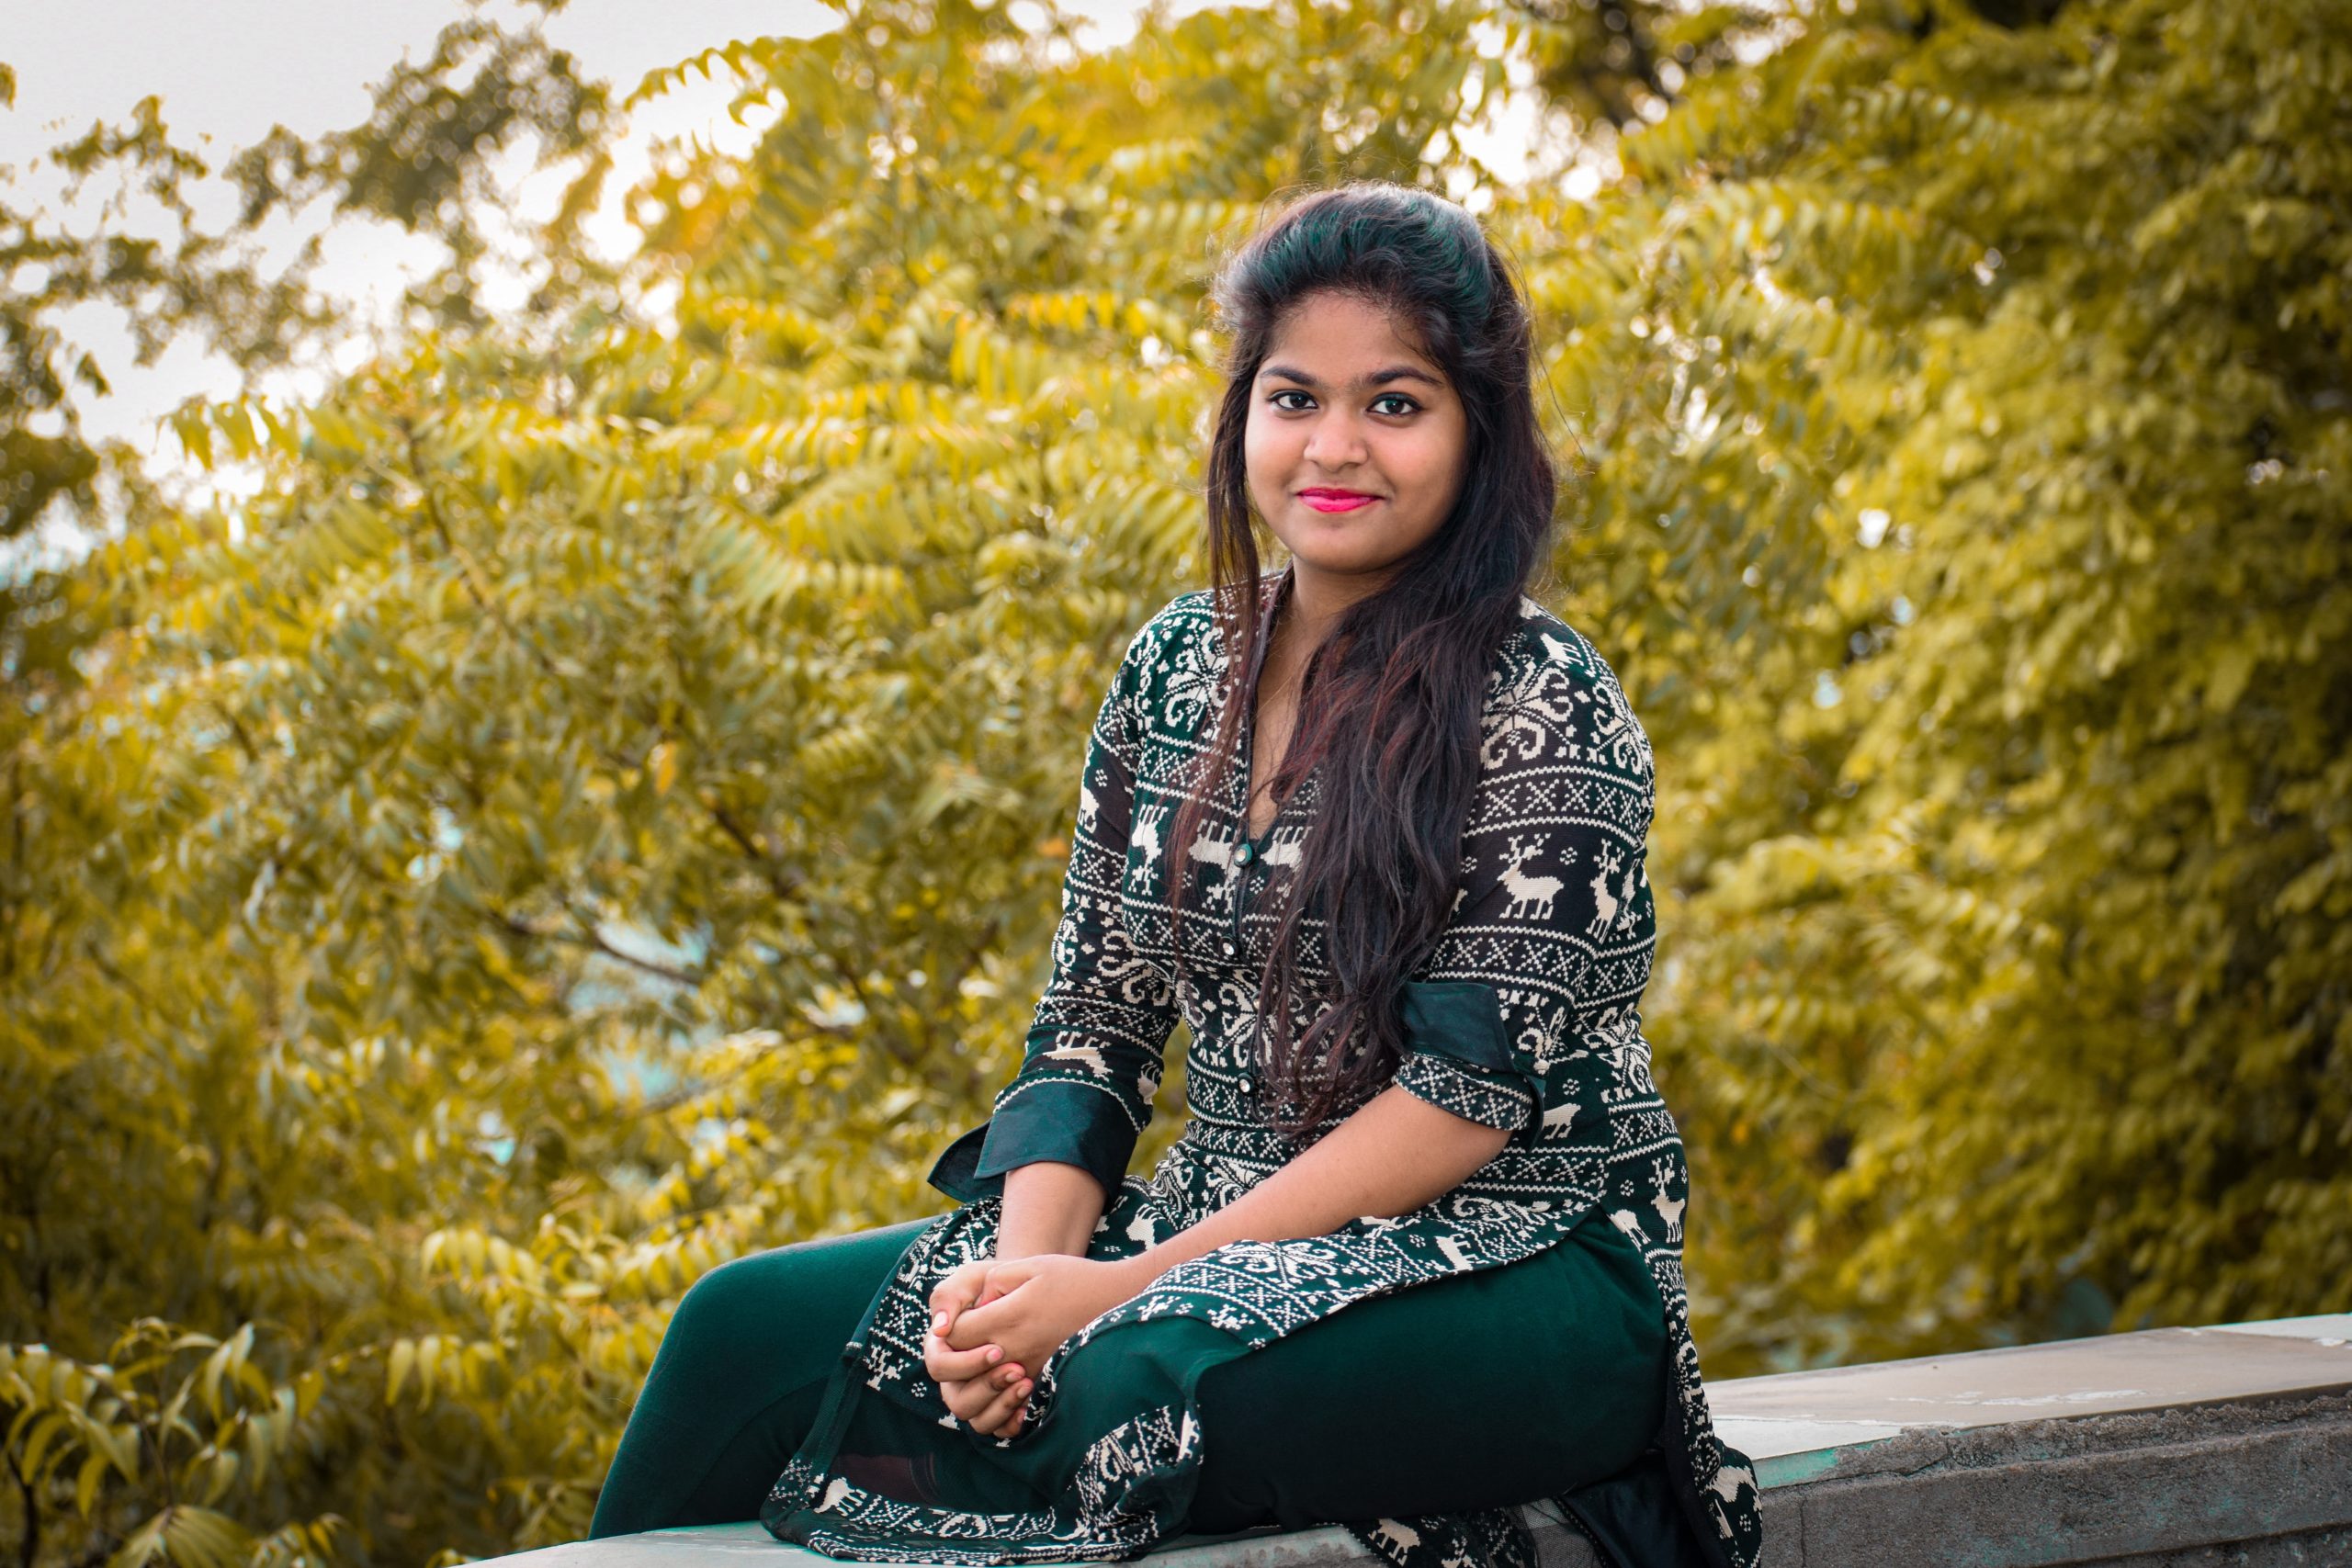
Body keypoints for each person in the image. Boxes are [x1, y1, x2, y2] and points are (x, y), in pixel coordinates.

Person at [588, 181, 1762, 1568]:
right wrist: (1024, 1280)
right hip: (1220, 1229)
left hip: (1529, 1262)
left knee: (1127, 1392)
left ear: (1475, 433)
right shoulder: (1174, 671)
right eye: (1293, 397)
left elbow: (1464, 1103)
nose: (1336, 445)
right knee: (743, 1332)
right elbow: (1094, 1025)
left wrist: (1111, 1293)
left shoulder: (1541, 701)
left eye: (1395, 403)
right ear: (1242, 414)